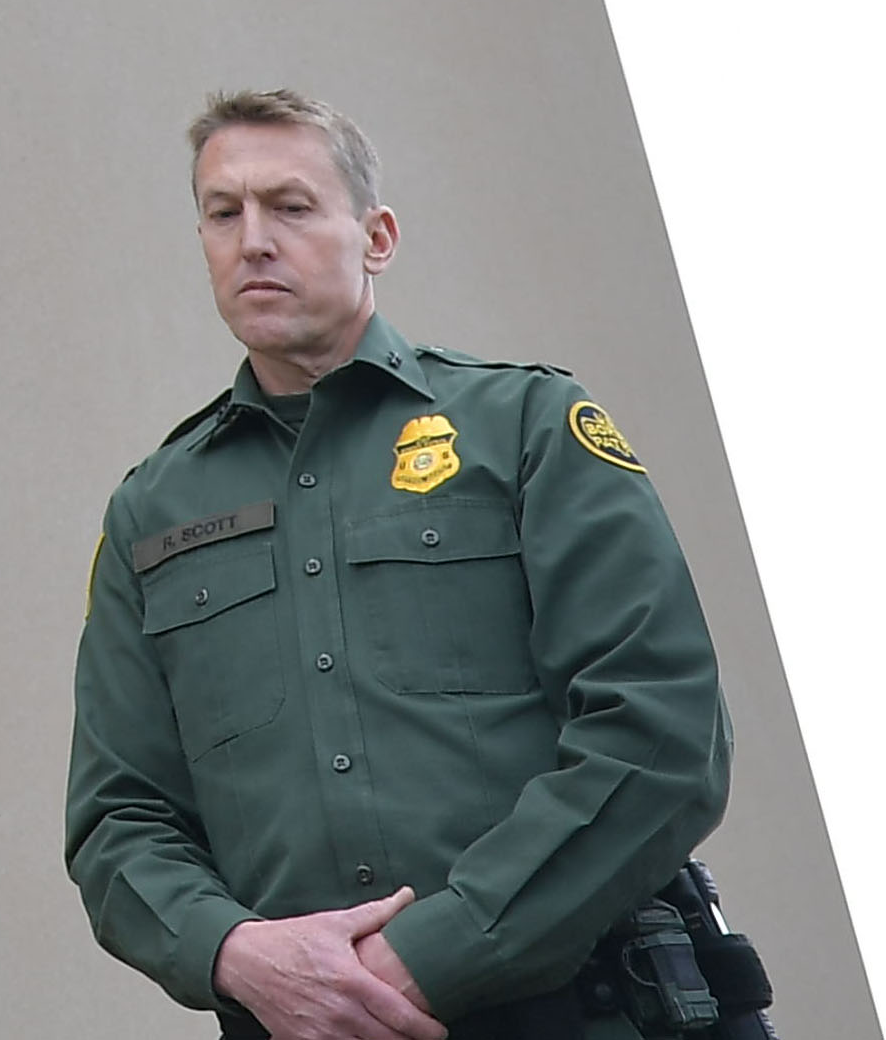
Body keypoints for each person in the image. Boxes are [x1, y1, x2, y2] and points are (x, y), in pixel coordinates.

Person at [69, 90, 734, 1040]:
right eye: (224, 212)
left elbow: (661, 733)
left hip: (562, 1013)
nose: (253, 239)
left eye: (291, 207)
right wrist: (238, 954)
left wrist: (426, 959)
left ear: (376, 236)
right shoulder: (153, 508)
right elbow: (119, 821)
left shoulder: (524, 427)